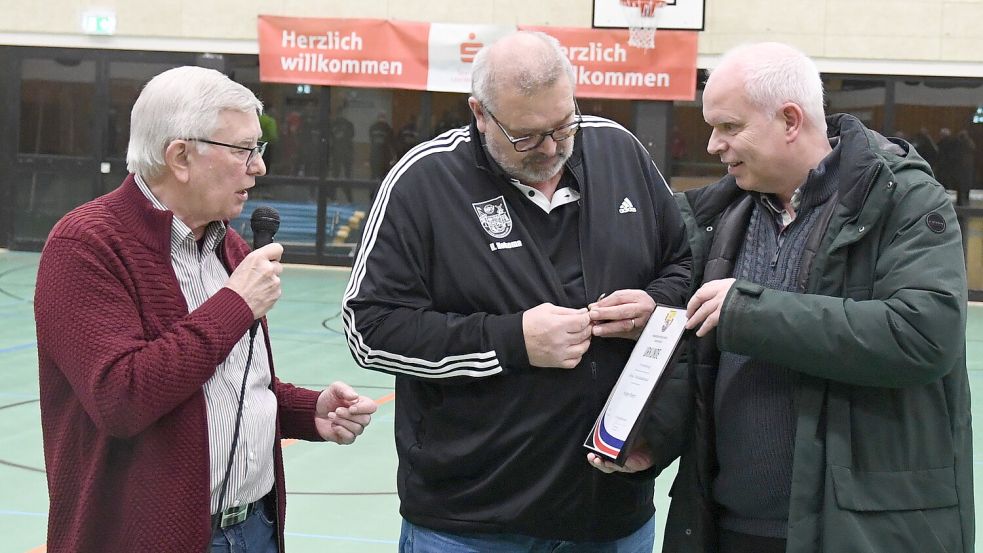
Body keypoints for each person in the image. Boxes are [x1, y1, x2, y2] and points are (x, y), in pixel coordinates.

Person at [595, 42, 973, 553]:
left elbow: (923, 334)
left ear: (790, 120)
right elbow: (704, 363)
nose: (712, 146)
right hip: (730, 528)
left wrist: (747, 313)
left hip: (856, 531)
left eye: (729, 127)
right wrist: (653, 435)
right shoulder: (723, 218)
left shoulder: (902, 199)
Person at [342, 31, 692, 552]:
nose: (551, 148)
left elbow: (682, 266)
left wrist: (655, 306)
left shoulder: (620, 151)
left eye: (563, 126)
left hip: (610, 511)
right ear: (479, 114)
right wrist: (512, 340)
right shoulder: (424, 181)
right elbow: (370, 329)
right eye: (526, 136)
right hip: (470, 521)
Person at [34, 66, 378, 553]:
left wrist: (306, 411)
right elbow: (121, 397)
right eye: (244, 150)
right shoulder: (86, 245)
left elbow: (225, 386)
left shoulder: (228, 246)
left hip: (255, 526)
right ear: (180, 157)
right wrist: (236, 304)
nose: (258, 167)